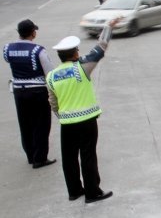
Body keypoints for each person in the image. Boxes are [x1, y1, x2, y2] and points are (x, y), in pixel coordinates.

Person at [46, 18, 120, 203]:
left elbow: (53, 103)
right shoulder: (82, 67)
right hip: (86, 121)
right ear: (75, 53)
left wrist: (63, 116)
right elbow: (101, 47)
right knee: (88, 156)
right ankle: (92, 192)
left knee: (69, 158)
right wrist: (108, 27)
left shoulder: (51, 76)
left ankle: (74, 191)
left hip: (66, 123)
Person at [4, 20, 56, 168]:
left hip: (19, 91)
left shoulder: (7, 48)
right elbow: (49, 72)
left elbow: (9, 60)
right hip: (37, 91)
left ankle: (31, 155)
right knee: (41, 124)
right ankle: (40, 158)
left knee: (25, 123)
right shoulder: (38, 50)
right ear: (33, 32)